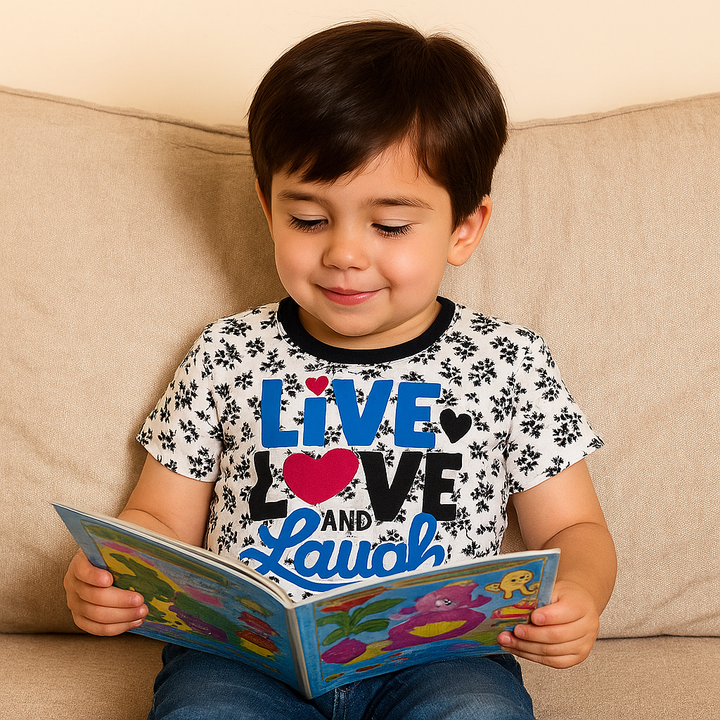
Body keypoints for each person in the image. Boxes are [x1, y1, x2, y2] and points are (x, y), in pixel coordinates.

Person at [64, 20, 616, 720]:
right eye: (307, 219)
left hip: (441, 657)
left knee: (479, 712)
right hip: (244, 658)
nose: (345, 254)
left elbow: (574, 529)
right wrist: (113, 572)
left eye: (390, 227)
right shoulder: (228, 352)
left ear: (464, 228)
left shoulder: (507, 361)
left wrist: (579, 594)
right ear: (268, 209)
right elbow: (159, 516)